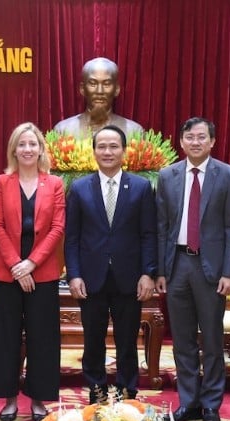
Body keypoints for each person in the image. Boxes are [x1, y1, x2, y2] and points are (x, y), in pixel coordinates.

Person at [155, 117, 230, 421]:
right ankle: (188, 402)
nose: (195, 142)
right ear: (181, 142)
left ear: (212, 141)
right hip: (177, 266)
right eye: (189, 137)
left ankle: (211, 405)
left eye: (201, 137)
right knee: (182, 341)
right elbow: (161, 226)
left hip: (211, 268)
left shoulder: (227, 175)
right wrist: (161, 271)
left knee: (213, 341)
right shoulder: (167, 175)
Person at [65, 124, 157, 404]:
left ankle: (128, 392)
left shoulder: (141, 187)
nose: (107, 151)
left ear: (124, 151)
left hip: (129, 277)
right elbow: (72, 238)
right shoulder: (80, 188)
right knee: (93, 339)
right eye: (101, 146)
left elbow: (148, 234)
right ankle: (97, 391)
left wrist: (148, 273)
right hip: (91, 277)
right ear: (93, 151)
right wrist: (74, 274)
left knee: (127, 341)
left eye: (113, 146)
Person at [0, 123, 65, 421]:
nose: (28, 149)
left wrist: (31, 263)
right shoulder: (1, 182)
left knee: (42, 337)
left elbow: (57, 228)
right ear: (14, 150)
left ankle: (38, 399)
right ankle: (8, 399)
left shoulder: (54, 183)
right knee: (4, 337)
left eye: (33, 144)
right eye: (22, 144)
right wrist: (17, 265)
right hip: (7, 272)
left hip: (42, 272)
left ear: (41, 149)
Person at [54, 57, 144, 139]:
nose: (99, 91)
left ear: (116, 89)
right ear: (82, 89)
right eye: (93, 83)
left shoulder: (134, 131)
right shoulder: (63, 130)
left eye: (106, 84)